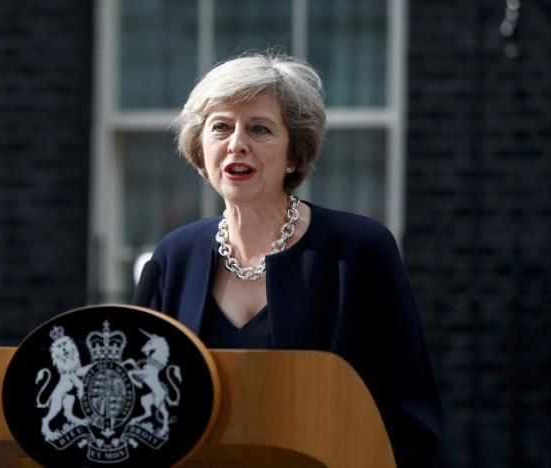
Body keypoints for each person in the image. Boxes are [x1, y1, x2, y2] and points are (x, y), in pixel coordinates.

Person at [134, 53, 443, 467]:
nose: (236, 143)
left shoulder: (359, 249)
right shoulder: (174, 256)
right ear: (200, 146)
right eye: (220, 127)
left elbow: (409, 417)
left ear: (294, 155)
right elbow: (135, 408)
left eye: (259, 129)